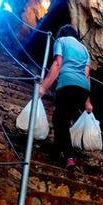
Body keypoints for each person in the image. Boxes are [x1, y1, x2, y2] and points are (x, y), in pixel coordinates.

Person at [38, 24, 94, 169]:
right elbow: (87, 75)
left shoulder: (61, 41)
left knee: (60, 120)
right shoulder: (85, 49)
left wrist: (43, 87)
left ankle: (69, 156)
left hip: (66, 85)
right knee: (61, 119)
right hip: (82, 89)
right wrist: (88, 102)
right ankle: (55, 152)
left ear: (62, 34)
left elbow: (57, 64)